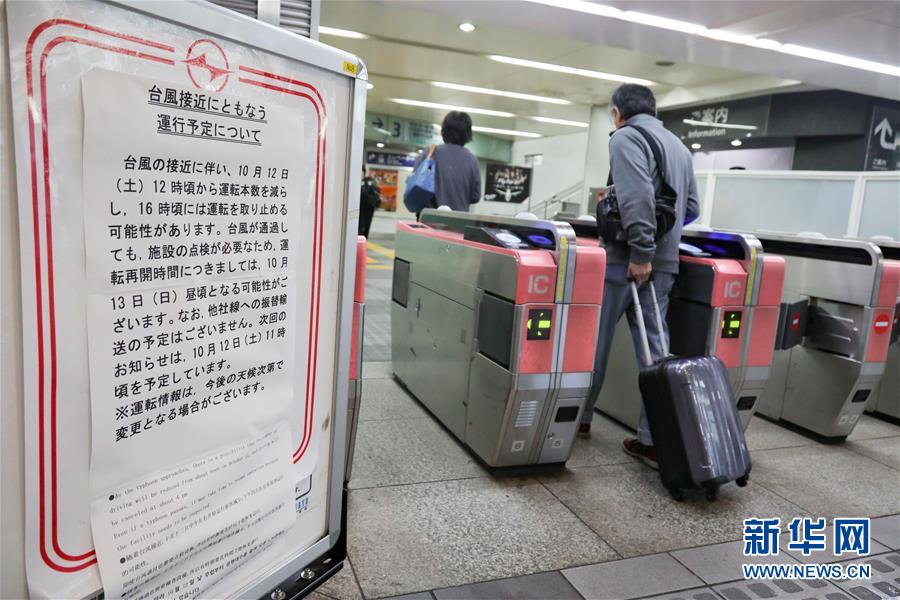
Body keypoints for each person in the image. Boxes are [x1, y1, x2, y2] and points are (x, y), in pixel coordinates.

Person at [580, 83, 700, 470]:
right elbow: (691, 207)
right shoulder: (679, 147)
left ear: (617, 112)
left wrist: (641, 251)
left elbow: (635, 198)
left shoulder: (627, 138)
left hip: (625, 263)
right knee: (655, 354)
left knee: (593, 343)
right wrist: (661, 244)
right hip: (664, 265)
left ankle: (577, 420)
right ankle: (653, 438)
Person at [429, 111, 482, 211]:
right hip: (459, 221)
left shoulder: (430, 153)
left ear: (443, 131)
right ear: (468, 135)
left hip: (428, 219)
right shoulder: (472, 161)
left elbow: (415, 185)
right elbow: (476, 196)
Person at [359, 165, 380, 238]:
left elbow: (376, 201)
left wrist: (364, 192)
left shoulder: (370, 185)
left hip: (365, 215)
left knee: (362, 234)